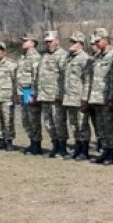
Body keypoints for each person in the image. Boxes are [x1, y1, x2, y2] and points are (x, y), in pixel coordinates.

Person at [34, 30, 70, 158]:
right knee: (48, 123)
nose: (48, 44)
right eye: (47, 42)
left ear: (57, 41)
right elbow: (39, 76)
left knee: (59, 122)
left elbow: (64, 76)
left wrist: (61, 93)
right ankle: (55, 146)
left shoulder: (62, 55)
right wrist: (36, 93)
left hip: (55, 96)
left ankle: (62, 147)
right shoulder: (44, 56)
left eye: (50, 41)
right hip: (44, 95)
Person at [85, 28, 113, 165]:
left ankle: (112, 153)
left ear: (106, 40)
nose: (96, 44)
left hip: (107, 98)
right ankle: (105, 150)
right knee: (101, 127)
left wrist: (112, 98)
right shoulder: (97, 57)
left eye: (98, 41)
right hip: (96, 98)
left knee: (110, 127)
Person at [62, 32, 92, 160]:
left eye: (74, 42)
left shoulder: (85, 59)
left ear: (80, 44)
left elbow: (87, 80)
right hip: (69, 97)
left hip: (79, 98)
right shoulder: (68, 58)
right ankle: (77, 148)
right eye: (70, 41)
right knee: (74, 125)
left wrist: (85, 98)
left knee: (82, 125)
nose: (71, 44)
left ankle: (84, 151)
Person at [15, 33, 43, 155]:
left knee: (33, 118)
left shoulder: (35, 57)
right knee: (26, 119)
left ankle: (36, 145)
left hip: (29, 91)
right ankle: (32, 142)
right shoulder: (23, 57)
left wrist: (34, 94)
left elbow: (36, 77)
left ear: (33, 43)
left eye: (26, 40)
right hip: (23, 92)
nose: (23, 42)